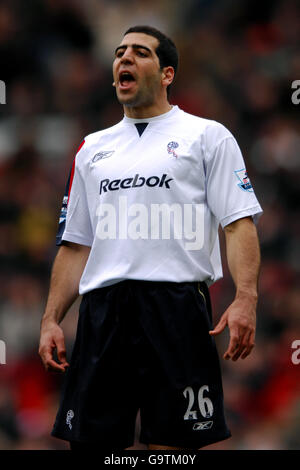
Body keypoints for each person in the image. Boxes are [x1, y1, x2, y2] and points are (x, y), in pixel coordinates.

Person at [39, 25, 262, 450]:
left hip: (176, 307)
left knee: (175, 448)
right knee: (92, 445)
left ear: (167, 74)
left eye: (140, 52)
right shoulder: (90, 149)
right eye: (120, 52)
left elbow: (237, 222)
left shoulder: (208, 136)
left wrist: (246, 297)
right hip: (103, 311)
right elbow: (75, 244)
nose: (125, 58)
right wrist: (51, 318)